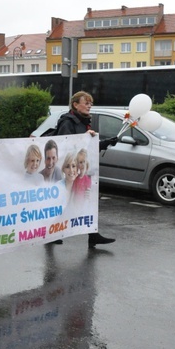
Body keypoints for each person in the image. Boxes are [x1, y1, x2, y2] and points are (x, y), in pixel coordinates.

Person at [54, 90, 117, 248]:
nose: (90, 105)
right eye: (86, 103)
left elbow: (86, 149)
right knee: (65, 203)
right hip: (69, 173)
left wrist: (105, 143)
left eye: (91, 103)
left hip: (81, 172)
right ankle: (51, 233)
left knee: (86, 201)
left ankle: (93, 235)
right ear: (75, 105)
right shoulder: (67, 122)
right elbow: (65, 145)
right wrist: (84, 137)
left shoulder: (83, 122)